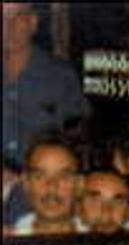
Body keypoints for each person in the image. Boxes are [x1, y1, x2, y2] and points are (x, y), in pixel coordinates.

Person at [3, 3, 90, 226]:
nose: (8, 26)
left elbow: (79, 139)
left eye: (17, 17)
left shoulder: (60, 76)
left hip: (48, 203)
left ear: (32, 23)